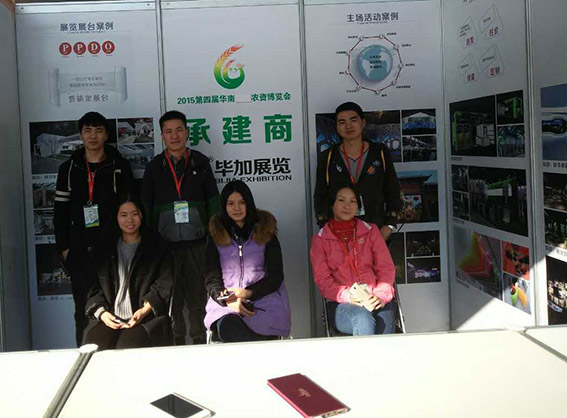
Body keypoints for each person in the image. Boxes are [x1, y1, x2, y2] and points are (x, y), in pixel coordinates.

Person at [54, 111, 134, 346]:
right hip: (79, 249)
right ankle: (85, 353)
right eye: (87, 131)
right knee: (82, 308)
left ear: (106, 135)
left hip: (113, 248)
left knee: (116, 305)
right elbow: (60, 214)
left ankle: (114, 354)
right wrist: (65, 249)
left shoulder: (119, 166)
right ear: (80, 135)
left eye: (98, 131)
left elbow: (130, 206)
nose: (93, 136)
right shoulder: (69, 169)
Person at [141, 110, 220, 345]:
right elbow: (146, 206)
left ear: (186, 132)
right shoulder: (154, 167)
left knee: (197, 299)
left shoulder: (200, 162)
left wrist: (214, 235)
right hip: (165, 248)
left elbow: (213, 201)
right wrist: (150, 243)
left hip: (197, 245)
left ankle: (199, 342)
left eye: (178, 130)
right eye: (168, 131)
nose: (174, 136)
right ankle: (174, 345)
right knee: (171, 302)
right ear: (162, 136)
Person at [203, 180, 291, 343]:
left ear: (249, 203)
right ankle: (260, 354)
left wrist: (247, 293)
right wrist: (228, 300)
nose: (236, 208)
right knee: (229, 325)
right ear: (224, 206)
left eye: (242, 202)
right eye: (231, 204)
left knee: (265, 327)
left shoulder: (266, 232)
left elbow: (275, 276)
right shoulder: (216, 235)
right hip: (226, 305)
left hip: (263, 301)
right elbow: (211, 279)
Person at [83, 193, 173, 350]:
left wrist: (144, 310)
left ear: (141, 215)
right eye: (123, 215)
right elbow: (91, 285)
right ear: (116, 217)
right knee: (94, 347)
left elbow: (164, 283)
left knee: (128, 347)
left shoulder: (156, 245)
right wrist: (102, 313)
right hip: (109, 316)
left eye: (134, 214)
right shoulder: (103, 247)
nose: (130, 220)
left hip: (144, 317)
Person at [310, 184, 396, 335]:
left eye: (353, 201)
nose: (347, 206)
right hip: (341, 304)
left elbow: (386, 268)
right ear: (332, 204)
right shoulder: (320, 239)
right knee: (362, 318)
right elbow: (322, 280)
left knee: (384, 330)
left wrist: (381, 295)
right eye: (341, 200)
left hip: (375, 297)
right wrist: (347, 296)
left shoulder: (371, 231)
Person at [313, 102, 402, 241]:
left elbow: (393, 190)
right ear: (337, 127)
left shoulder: (379, 152)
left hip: (375, 231)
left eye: (353, 120)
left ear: (363, 123)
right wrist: (325, 226)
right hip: (340, 233)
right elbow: (320, 194)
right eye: (342, 122)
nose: (348, 126)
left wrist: (389, 225)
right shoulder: (328, 157)